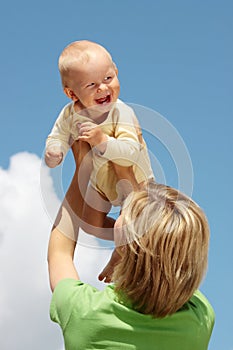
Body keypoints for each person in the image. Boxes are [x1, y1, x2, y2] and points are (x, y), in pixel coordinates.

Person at [48, 177, 215, 350]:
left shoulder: (84, 311)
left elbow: (59, 253)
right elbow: (176, 265)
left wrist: (80, 172)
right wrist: (125, 252)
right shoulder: (200, 319)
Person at [45, 40, 154, 240]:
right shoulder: (70, 113)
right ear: (72, 94)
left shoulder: (121, 112)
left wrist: (102, 140)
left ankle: (122, 251)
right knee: (89, 224)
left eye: (108, 78)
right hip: (102, 183)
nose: (103, 88)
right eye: (91, 85)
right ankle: (128, 240)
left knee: (127, 223)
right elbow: (58, 134)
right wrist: (55, 150)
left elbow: (131, 151)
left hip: (135, 181)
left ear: (117, 72)